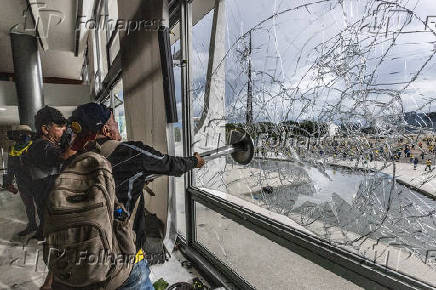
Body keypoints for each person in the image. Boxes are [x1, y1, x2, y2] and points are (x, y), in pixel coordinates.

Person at [69, 103, 206, 289]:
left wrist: (136, 181)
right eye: (115, 122)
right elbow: (170, 164)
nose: (118, 126)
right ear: (106, 130)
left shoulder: (76, 161)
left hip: (83, 257)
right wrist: (194, 161)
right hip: (122, 258)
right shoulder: (130, 152)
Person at [25, 106, 76, 240]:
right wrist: (79, 140)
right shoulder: (41, 145)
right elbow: (63, 157)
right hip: (48, 199)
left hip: (48, 199)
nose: (64, 131)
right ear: (45, 129)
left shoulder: (45, 144)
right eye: (59, 127)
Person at [3, 125, 37, 236]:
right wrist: (8, 182)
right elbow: (10, 167)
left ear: (29, 135)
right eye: (20, 133)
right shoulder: (13, 148)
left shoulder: (34, 146)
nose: (22, 136)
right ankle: (32, 225)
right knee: (29, 206)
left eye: (25, 133)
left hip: (36, 181)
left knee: (42, 206)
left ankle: (44, 229)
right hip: (22, 183)